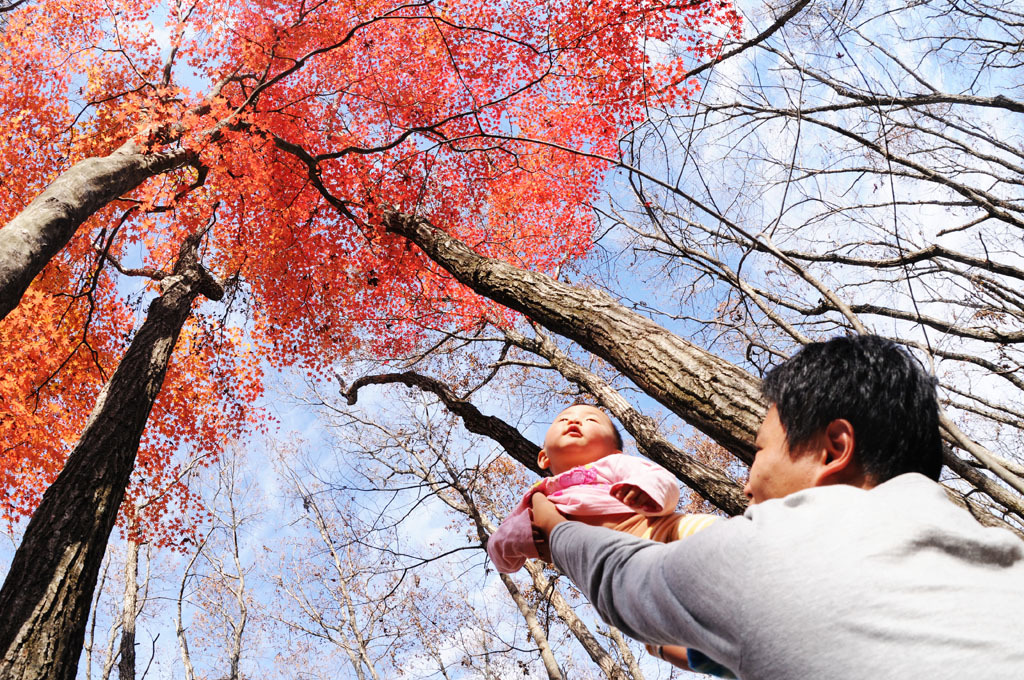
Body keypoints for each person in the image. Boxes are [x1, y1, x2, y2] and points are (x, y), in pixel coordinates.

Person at [529, 334, 1024, 679]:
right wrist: (666, 639)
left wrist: (556, 530)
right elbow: (734, 651)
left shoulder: (771, 550)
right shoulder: (996, 552)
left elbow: (620, 579)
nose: (746, 486)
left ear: (833, 450)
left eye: (760, 452)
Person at [487, 403, 717, 574]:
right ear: (543, 457)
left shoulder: (614, 464)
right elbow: (499, 548)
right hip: (607, 564)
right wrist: (520, 538)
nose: (574, 421)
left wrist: (645, 492)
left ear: (614, 452)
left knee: (710, 533)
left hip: (657, 530)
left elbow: (660, 478)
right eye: (563, 419)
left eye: (591, 420)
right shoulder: (538, 495)